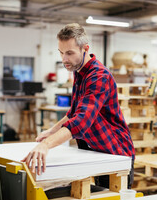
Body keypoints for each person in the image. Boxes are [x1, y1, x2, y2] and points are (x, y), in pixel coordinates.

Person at [22, 23, 135, 188]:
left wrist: (46, 145)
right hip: (97, 152)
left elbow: (81, 121)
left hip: (115, 153)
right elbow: (74, 112)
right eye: (61, 53)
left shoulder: (98, 76)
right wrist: (52, 131)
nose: (64, 59)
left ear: (85, 49)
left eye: (69, 53)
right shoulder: (79, 72)